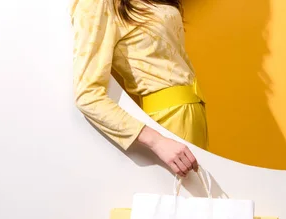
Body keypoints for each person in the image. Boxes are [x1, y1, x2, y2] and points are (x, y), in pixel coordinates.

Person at [70, 0, 207, 177]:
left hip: (193, 111)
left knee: (199, 203)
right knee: (178, 201)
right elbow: (87, 95)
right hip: (168, 118)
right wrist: (157, 141)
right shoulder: (97, 3)